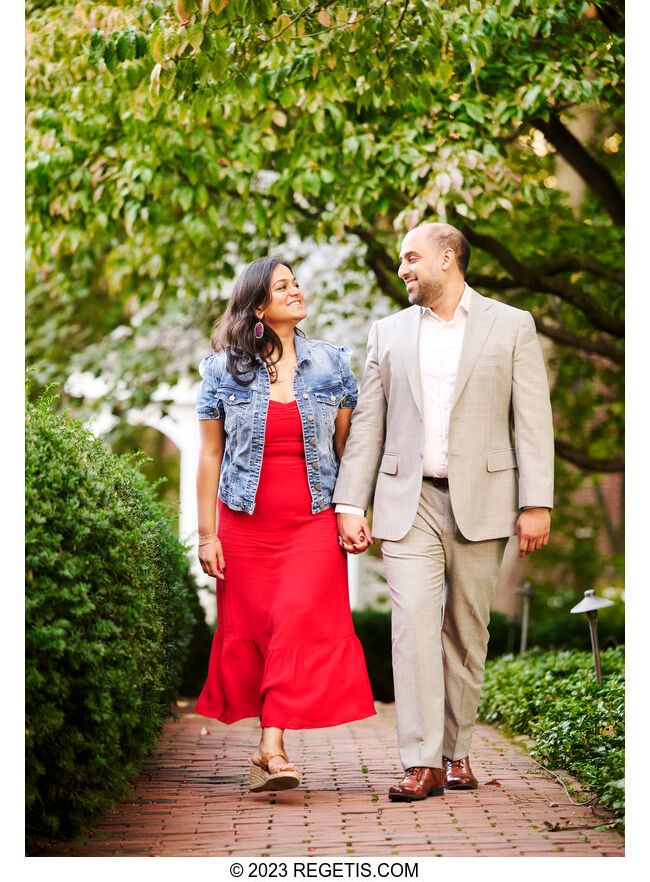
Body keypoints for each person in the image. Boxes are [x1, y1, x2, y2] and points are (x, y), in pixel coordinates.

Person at [334, 222, 554, 802]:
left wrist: (537, 502)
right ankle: (420, 761)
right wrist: (351, 503)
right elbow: (369, 428)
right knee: (412, 630)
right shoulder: (387, 332)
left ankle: (457, 755)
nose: (403, 269)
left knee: (466, 629)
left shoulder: (511, 325)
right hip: (410, 500)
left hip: (483, 500)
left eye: (411, 258)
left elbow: (531, 419)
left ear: (448, 257)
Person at [194, 256, 376, 793]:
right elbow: (209, 456)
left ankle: (271, 748)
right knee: (261, 635)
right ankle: (269, 749)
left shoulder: (331, 364)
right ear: (257, 305)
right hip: (245, 524)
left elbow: (349, 448)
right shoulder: (221, 369)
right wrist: (207, 536)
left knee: (298, 624)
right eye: (283, 285)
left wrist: (355, 509)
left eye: (297, 282)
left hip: (313, 521)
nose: (296, 290)